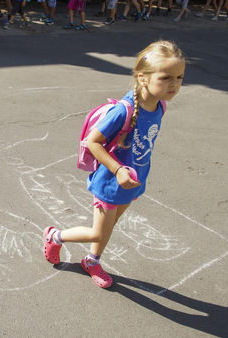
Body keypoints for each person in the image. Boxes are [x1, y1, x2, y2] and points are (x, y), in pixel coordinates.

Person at [42, 40, 185, 289]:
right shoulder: (123, 111)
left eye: (180, 77)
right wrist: (118, 170)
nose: (174, 84)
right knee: (98, 233)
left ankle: (91, 261)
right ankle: (54, 236)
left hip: (133, 181)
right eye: (166, 77)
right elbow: (93, 142)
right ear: (143, 78)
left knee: (108, 229)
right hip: (111, 182)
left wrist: (130, 174)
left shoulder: (159, 105)